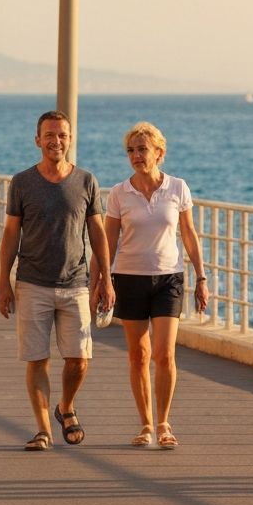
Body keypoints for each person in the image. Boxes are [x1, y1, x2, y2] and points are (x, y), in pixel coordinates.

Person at [0, 110, 115, 450]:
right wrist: (3, 281)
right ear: (37, 140)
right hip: (32, 282)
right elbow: (10, 235)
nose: (56, 141)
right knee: (37, 358)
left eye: (62, 135)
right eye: (49, 135)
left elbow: (97, 232)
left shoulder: (85, 181)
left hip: (76, 282)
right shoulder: (21, 182)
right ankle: (43, 430)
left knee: (79, 359)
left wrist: (105, 278)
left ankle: (66, 406)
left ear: (70, 139)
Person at [101, 122, 209, 448]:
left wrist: (201, 277)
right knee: (138, 354)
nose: (136, 155)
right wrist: (103, 280)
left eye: (142, 149)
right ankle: (145, 424)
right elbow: (107, 239)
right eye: (131, 150)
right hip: (129, 277)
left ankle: (164, 423)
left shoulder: (177, 188)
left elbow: (188, 235)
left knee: (164, 354)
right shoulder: (120, 193)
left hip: (169, 278)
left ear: (159, 153)